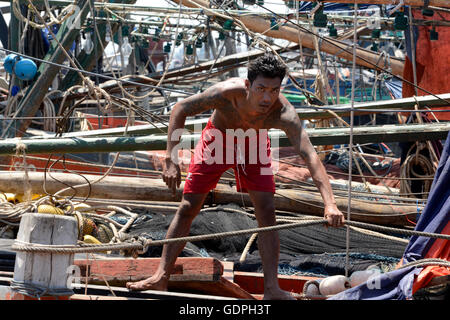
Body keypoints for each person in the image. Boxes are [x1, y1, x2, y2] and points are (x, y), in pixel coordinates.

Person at [126, 53, 345, 300]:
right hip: (217, 139)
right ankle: (160, 277)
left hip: (254, 144)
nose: (266, 97)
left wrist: (330, 203)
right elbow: (180, 108)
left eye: (273, 90)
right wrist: (171, 158)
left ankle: (271, 288)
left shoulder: (284, 114)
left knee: (267, 211)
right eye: (261, 88)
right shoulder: (226, 93)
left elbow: (311, 157)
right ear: (247, 85)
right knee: (189, 205)